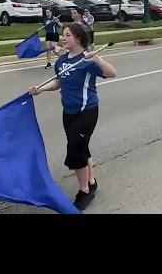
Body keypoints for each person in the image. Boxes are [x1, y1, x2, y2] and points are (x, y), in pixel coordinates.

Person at [29, 23, 117, 211]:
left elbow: (111, 73)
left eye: (67, 35)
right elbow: (58, 82)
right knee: (81, 147)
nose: (63, 38)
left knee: (75, 151)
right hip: (68, 112)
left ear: (77, 38)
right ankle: (92, 181)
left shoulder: (87, 60)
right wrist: (41, 89)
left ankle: (85, 190)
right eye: (63, 35)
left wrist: (97, 60)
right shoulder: (62, 61)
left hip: (86, 111)